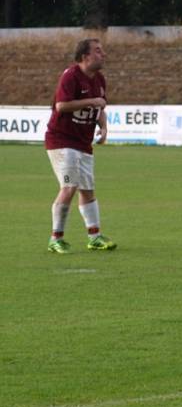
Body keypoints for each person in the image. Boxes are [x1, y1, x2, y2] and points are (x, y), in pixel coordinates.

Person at [44, 38, 116, 253]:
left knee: (87, 190)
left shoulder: (99, 79)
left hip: (83, 143)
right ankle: (55, 238)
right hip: (62, 139)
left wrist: (103, 128)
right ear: (85, 56)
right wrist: (91, 102)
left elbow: (100, 108)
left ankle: (94, 236)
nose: (102, 54)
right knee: (69, 187)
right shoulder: (71, 76)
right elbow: (62, 105)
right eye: (98, 51)